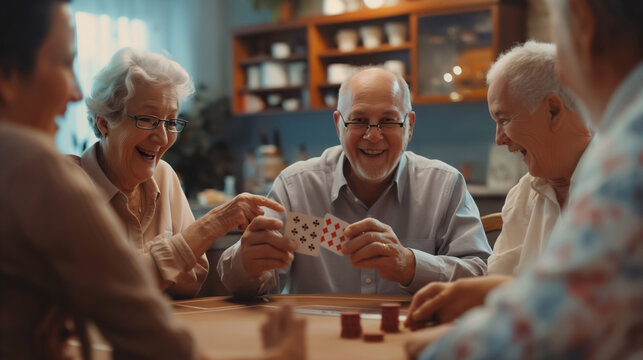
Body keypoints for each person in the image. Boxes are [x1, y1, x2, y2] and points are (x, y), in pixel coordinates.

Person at [414, 0, 643, 358]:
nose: (498, 139)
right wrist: (492, 294)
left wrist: (430, 350)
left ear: (583, 25)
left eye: (503, 119)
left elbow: (556, 323)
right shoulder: (529, 191)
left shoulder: (627, 155)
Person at [0, 0, 194, 358]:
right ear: (9, 75)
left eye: (170, 121)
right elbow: (150, 337)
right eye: (63, 63)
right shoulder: (34, 169)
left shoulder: (164, 177)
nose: (76, 93)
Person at [218, 67, 492, 297]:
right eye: (359, 121)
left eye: (388, 121)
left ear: (410, 125)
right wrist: (247, 263)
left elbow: (482, 276)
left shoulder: (444, 187)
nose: (373, 136)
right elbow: (260, 280)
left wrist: (411, 265)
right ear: (338, 124)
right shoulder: (298, 189)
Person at [404, 41, 593, 330]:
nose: (499, 139)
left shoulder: (622, 186)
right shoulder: (523, 195)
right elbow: (499, 302)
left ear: (553, 111)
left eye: (503, 119)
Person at [75, 47, 284, 298]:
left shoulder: (164, 176)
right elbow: (109, 291)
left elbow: (193, 278)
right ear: (104, 122)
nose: (162, 137)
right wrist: (211, 225)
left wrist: (156, 265)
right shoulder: (67, 185)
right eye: (148, 119)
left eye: (171, 121)